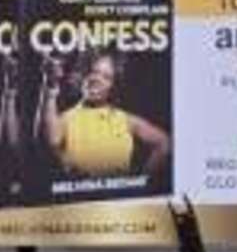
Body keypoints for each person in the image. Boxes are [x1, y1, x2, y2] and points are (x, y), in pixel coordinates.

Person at [41, 49, 170, 182]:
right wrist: (51, 85)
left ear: (113, 86)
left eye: (107, 77)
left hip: (119, 201)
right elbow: (52, 141)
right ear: (82, 74)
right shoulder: (66, 119)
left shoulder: (125, 120)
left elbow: (163, 143)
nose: (97, 79)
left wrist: (140, 181)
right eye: (93, 72)